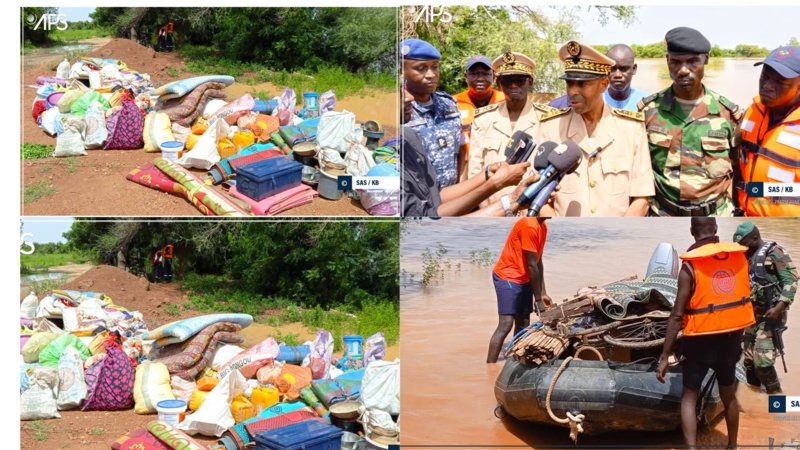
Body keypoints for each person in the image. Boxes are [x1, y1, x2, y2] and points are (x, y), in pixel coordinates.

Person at [657, 217, 755, 449]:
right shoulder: (738, 258)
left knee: (689, 397)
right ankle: (732, 446)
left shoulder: (690, 266)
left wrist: (664, 356)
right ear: (716, 229)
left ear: (692, 232)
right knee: (728, 394)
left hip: (700, 341)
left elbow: (676, 316)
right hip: (731, 340)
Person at [538, 40, 654, 217]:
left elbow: (641, 199)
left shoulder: (631, 128)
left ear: (603, 84)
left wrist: (618, 238)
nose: (573, 91)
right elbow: (538, 197)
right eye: (570, 83)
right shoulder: (550, 127)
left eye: (582, 84)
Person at [639, 27, 742, 217]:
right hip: (662, 215)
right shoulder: (647, 111)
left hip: (716, 217)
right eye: (675, 62)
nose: (683, 70)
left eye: (693, 61)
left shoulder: (729, 115)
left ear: (706, 59)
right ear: (667, 62)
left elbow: (738, 168)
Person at [402, 87, 544, 217]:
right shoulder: (385, 164)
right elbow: (427, 219)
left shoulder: (409, 138)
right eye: (400, 92)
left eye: (405, 88)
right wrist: (501, 190)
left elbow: (435, 196)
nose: (409, 97)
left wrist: (487, 174)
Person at [469, 52, 554, 206]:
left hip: (532, 207)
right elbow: (475, 170)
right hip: (491, 209)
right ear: (498, 84)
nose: (513, 85)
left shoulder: (548, 118)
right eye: (507, 81)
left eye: (520, 80)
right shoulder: (483, 119)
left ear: (530, 82)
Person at [734, 46, 800, 216]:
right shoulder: (751, 112)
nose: (768, 86)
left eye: (780, 82)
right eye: (765, 76)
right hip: (747, 218)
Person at [733, 221, 798, 394]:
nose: (743, 247)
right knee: (748, 360)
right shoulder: (746, 256)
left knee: (763, 362)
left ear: (755, 238)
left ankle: (776, 397)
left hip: (772, 314)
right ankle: (757, 399)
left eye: (745, 243)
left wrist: (779, 307)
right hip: (751, 315)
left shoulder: (775, 252)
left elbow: (791, 280)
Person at [401, 38, 464, 189]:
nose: (431, 74)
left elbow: (461, 150)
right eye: (421, 68)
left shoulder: (449, 104)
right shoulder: (401, 110)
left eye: (434, 67)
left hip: (454, 197)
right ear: (402, 72)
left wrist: (462, 186)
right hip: (419, 203)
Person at [487, 217, 550, 364]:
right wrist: (538, 300)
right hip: (508, 276)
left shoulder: (543, 226)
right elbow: (531, 265)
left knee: (524, 324)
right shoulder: (529, 225)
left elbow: (538, 261)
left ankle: (513, 361)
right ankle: (489, 368)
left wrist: (542, 293)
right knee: (506, 324)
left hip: (525, 277)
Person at [548, 44, 649, 112]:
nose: (618, 75)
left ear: (634, 69)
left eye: (623, 69)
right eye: (612, 69)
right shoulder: (592, 99)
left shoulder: (649, 102)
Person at [454, 55, 505, 182]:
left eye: (485, 73)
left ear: (493, 76)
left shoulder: (506, 101)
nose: (480, 78)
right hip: (464, 171)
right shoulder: (452, 103)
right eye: (474, 74)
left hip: (499, 168)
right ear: (466, 76)